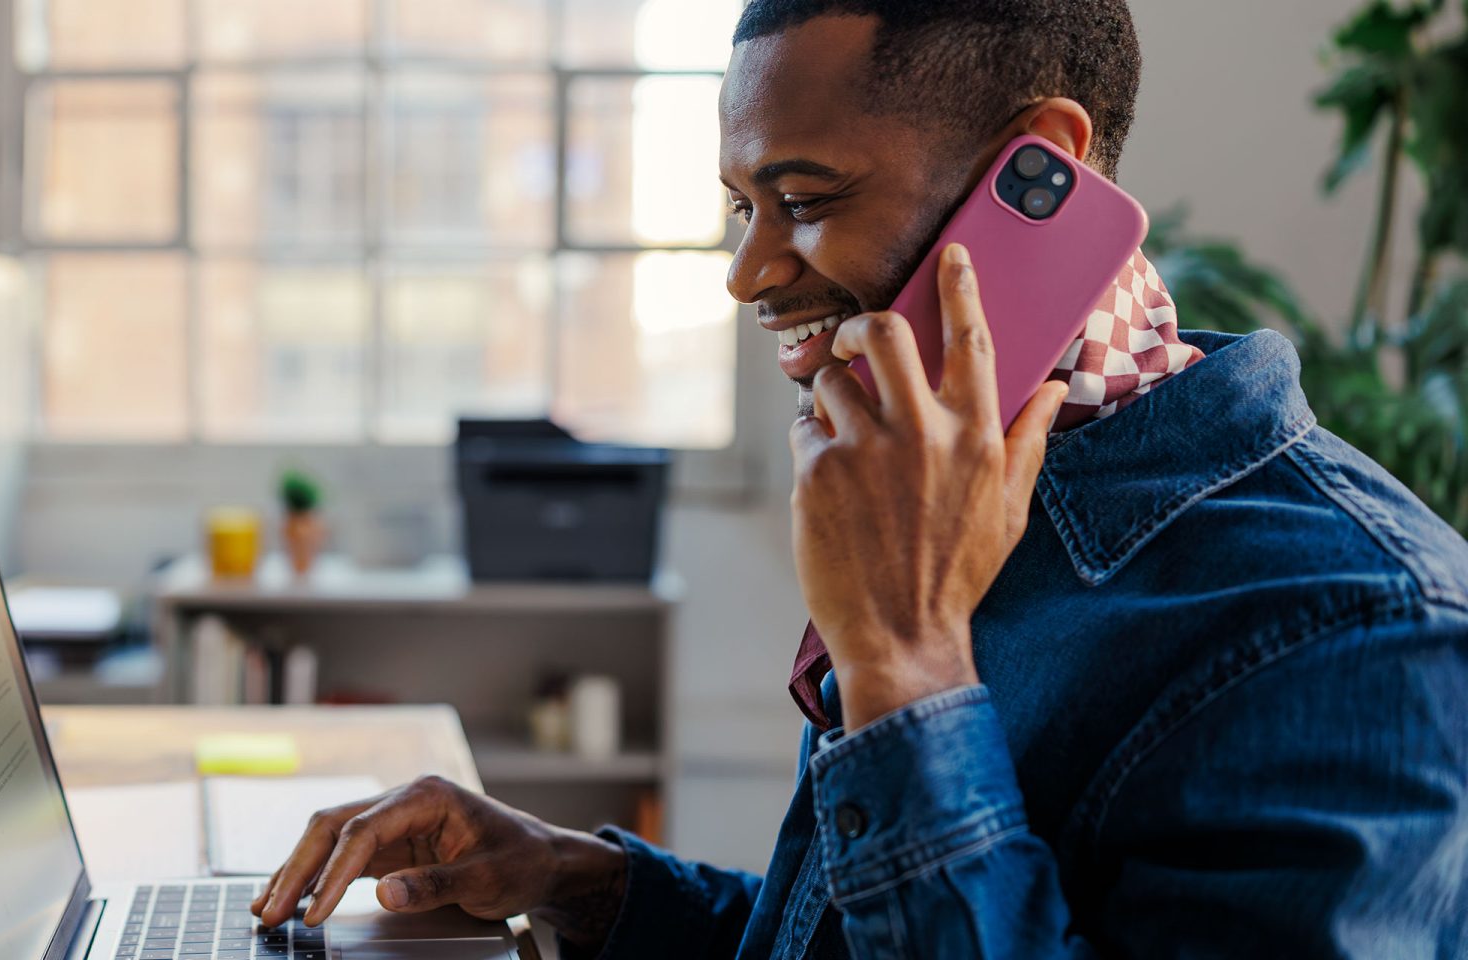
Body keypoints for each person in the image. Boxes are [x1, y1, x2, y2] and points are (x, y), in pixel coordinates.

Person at [253, 1, 1468, 956]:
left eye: (803, 200)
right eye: (740, 208)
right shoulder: (952, 480)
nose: (747, 272)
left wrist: (905, 665)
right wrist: (578, 882)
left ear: (1035, 167)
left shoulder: (1364, 631)